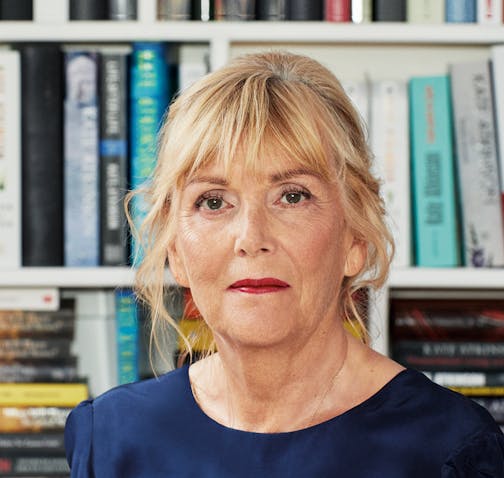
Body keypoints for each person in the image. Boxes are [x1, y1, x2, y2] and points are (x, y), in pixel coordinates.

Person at [65, 51, 504, 477]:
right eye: (214, 201)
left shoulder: (451, 448)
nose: (252, 239)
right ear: (175, 251)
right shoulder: (112, 438)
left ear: (355, 237)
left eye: (292, 196)